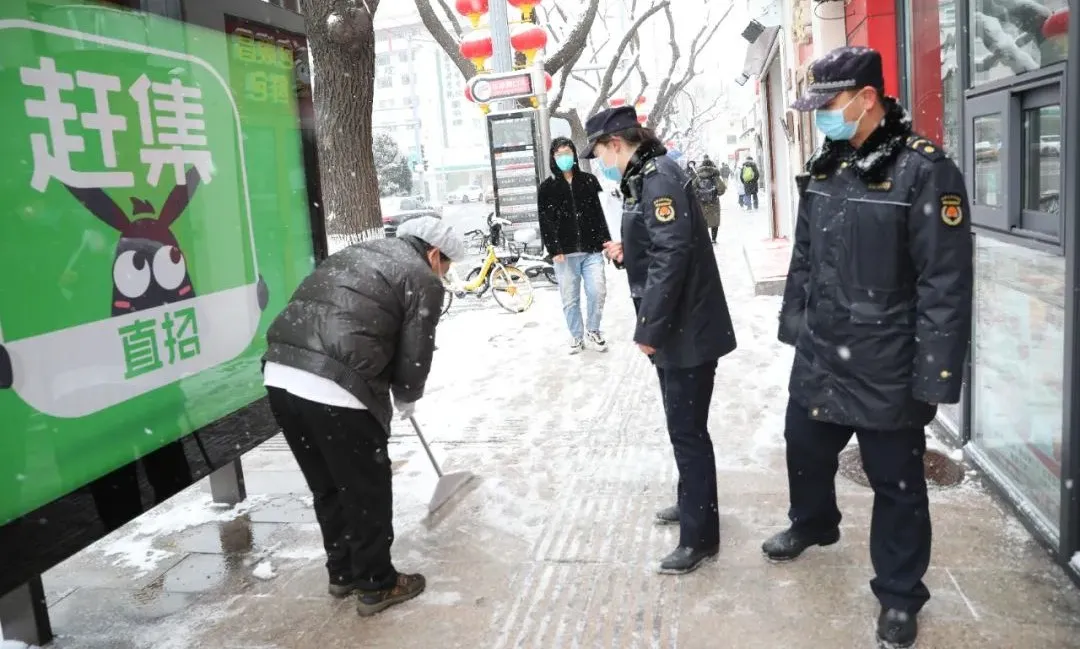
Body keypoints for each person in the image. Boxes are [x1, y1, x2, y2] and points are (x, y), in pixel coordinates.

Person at [767, 46, 972, 648]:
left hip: (887, 361)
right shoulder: (826, 166)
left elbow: (945, 282)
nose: (821, 116)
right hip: (823, 350)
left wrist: (935, 375)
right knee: (803, 446)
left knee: (896, 485)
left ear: (867, 98)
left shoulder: (925, 171)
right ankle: (814, 522)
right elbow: (805, 256)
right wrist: (796, 324)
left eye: (829, 104)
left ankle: (900, 595)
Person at [261, 216, 465, 617]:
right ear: (433, 254)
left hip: (281, 374)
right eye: (446, 265)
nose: (444, 273)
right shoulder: (421, 277)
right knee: (365, 489)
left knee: (328, 485)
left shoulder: (359, 252)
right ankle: (376, 583)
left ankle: (342, 572)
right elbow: (416, 350)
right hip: (335, 386)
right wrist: (408, 395)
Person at [585, 106, 738, 575]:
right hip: (680, 325)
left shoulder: (658, 178)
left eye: (599, 152)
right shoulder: (649, 174)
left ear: (615, 144)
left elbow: (673, 254)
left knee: (688, 432)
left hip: (684, 327)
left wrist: (649, 328)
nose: (600, 162)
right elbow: (661, 242)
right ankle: (692, 502)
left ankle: (700, 537)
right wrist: (628, 251)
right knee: (683, 428)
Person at [538, 136, 613, 354]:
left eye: (567, 152)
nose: (564, 157)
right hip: (565, 254)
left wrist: (607, 241)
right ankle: (576, 336)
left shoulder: (589, 181)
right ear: (553, 157)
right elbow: (545, 221)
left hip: (592, 250)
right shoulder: (547, 188)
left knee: (597, 291)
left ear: (573, 155)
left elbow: (601, 213)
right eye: (559, 154)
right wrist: (554, 249)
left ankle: (593, 329)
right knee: (570, 299)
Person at [691, 156, 725, 243]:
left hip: (701, 203)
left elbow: (692, 189)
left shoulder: (698, 177)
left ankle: (705, 238)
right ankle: (713, 238)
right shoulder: (715, 176)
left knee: (703, 220)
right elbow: (721, 189)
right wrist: (715, 192)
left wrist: (699, 194)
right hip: (713, 202)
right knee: (714, 221)